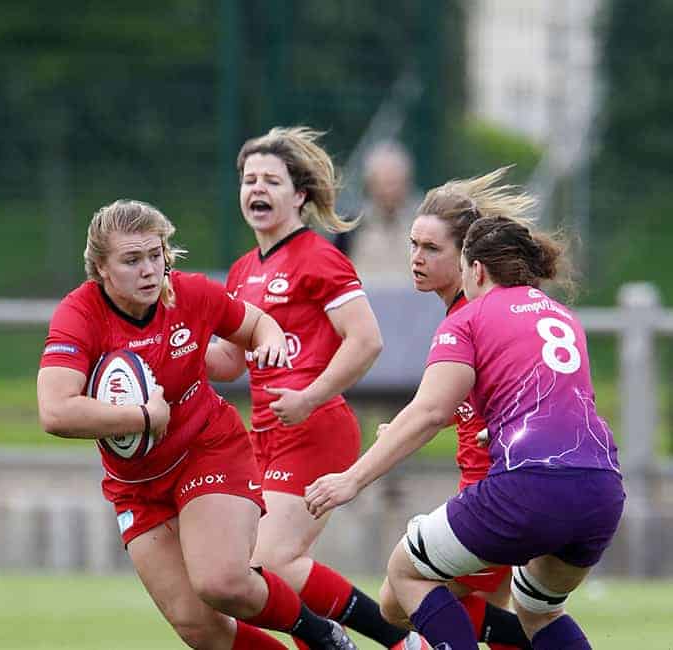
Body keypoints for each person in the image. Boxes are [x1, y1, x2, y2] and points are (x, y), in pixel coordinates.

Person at [37, 199, 358, 650]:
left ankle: (319, 632)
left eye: (156, 254)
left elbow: (257, 324)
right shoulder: (80, 314)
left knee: (221, 582)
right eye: (132, 260)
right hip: (136, 484)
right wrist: (143, 417)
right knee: (199, 627)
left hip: (207, 451)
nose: (150, 270)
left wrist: (268, 344)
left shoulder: (189, 293)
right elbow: (55, 411)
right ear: (101, 269)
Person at [305, 215, 625, 649]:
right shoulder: (562, 316)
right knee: (538, 608)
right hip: (601, 489)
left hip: (528, 488)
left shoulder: (469, 318)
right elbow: (555, 406)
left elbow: (431, 411)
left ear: (474, 270)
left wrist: (351, 480)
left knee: (404, 573)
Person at [207, 127, 430, 650]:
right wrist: (173, 344)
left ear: (300, 196)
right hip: (264, 434)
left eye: (271, 180)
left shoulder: (319, 257)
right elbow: (229, 361)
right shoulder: (242, 271)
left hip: (314, 428)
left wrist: (309, 395)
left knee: (270, 562)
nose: (256, 189)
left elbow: (366, 341)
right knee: (245, 575)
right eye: (248, 180)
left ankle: (400, 641)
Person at [377, 168, 535, 650]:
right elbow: (472, 393)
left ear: (467, 256)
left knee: (397, 599)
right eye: (413, 245)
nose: (416, 259)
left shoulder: (473, 315)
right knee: (499, 611)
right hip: (495, 484)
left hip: (493, 489)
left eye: (431, 249)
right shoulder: (466, 311)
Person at [335, 140, 422, 286]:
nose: (389, 190)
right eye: (384, 182)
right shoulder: (351, 227)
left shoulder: (423, 224)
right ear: (370, 183)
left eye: (394, 182)